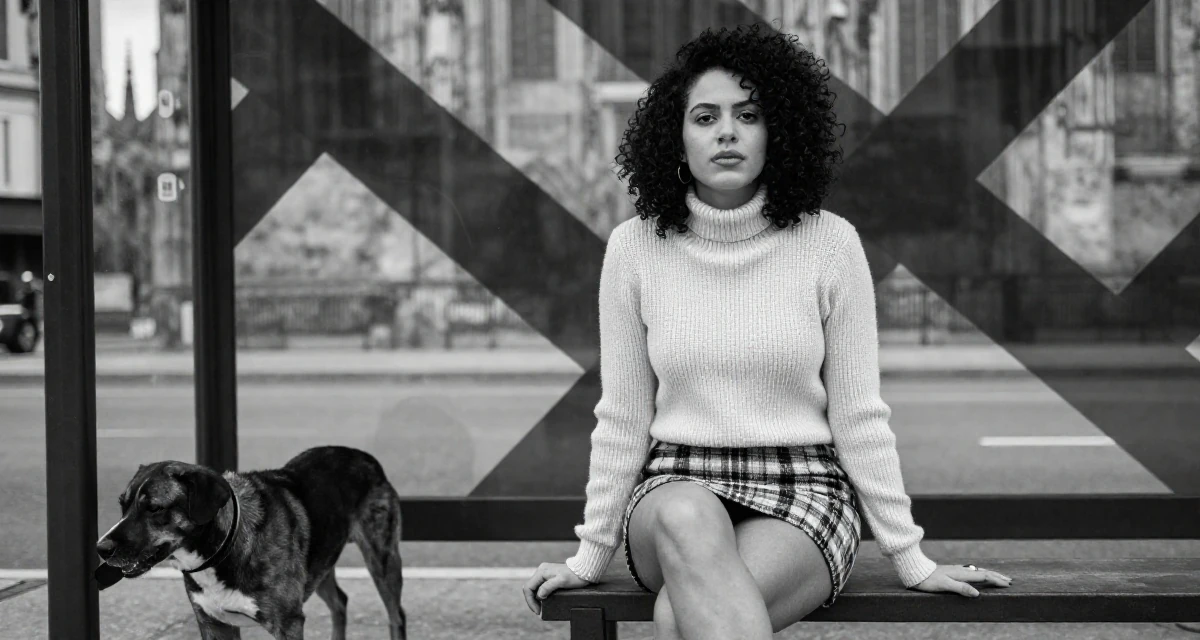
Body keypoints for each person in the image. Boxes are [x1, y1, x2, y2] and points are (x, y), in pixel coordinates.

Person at [522, 25, 1012, 639]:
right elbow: (622, 416)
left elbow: (859, 414)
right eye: (705, 117)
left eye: (748, 115)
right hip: (674, 486)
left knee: (680, 618)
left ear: (778, 132)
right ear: (676, 138)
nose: (726, 132)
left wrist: (910, 558)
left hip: (803, 489)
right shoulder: (634, 248)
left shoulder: (830, 243)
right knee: (685, 513)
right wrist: (589, 557)